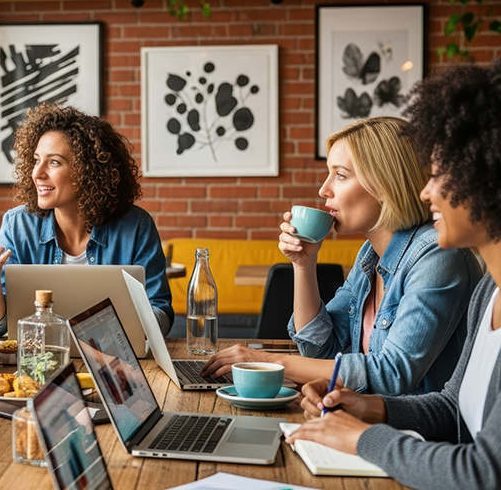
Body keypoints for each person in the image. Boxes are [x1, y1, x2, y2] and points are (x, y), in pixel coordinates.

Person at [287, 59, 501, 489]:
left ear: (485, 176)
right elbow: (449, 408)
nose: (427, 191)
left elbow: (484, 472)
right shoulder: (488, 296)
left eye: (440, 173)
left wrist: (364, 436)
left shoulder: (437, 257)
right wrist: (371, 409)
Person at [202, 116, 482, 395]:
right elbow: (320, 347)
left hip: (420, 435)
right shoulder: (371, 256)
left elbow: (391, 374)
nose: (324, 189)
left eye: (340, 175)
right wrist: (304, 263)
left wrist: (268, 361)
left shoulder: (436, 256)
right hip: (365, 420)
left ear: (385, 184)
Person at [0, 103, 173, 337]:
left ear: (88, 171)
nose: (37, 173)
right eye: (36, 160)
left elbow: (160, 311)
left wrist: (111, 333)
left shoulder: (136, 226)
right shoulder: (18, 225)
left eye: (54, 162)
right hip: (38, 363)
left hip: (113, 361)